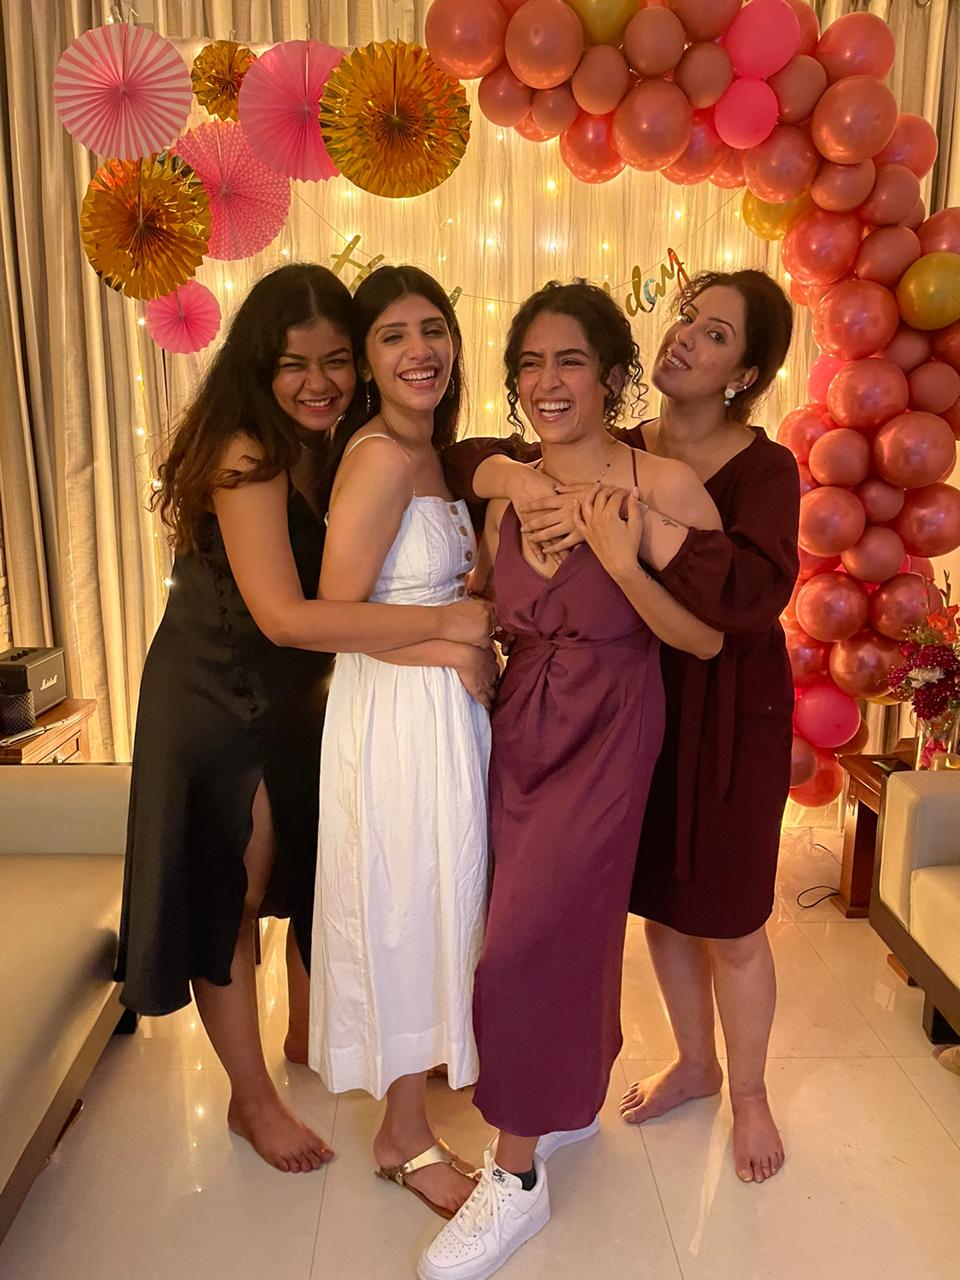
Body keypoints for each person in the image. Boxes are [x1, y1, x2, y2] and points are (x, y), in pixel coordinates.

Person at [116, 264, 492, 1177]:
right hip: (218, 694)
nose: (318, 381)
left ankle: (298, 1036)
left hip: (299, 689)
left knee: (306, 865)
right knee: (234, 894)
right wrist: (446, 626)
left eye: (333, 361)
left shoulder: (330, 442)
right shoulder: (248, 450)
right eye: (296, 364)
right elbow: (287, 615)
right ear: (259, 365)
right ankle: (251, 1102)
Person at [442, 269, 799, 1187]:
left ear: (746, 370)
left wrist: (627, 546)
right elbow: (468, 468)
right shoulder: (586, 449)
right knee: (645, 910)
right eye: (688, 318)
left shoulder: (738, 474)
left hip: (718, 714)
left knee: (727, 911)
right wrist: (515, 483)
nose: (689, 337)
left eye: (716, 333)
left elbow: (740, 611)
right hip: (562, 720)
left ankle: (747, 1092)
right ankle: (682, 1061)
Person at [419, 281, 722, 1280]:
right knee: (551, 923)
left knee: (525, 941)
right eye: (531, 365)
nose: (549, 382)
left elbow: (708, 635)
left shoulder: (662, 485)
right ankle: (570, 1095)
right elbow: (489, 578)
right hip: (521, 728)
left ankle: (513, 1178)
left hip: (610, 724)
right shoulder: (506, 485)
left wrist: (621, 559)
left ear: (611, 374)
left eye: (571, 362)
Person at [308, 266, 495, 1219]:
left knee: (445, 896)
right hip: (394, 710)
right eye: (392, 336)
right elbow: (336, 617)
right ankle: (401, 1137)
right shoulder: (379, 456)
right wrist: (452, 638)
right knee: (405, 902)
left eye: (434, 328)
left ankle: (421, 1102)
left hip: (444, 709)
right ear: (368, 360)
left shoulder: (440, 454)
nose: (420, 350)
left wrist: (473, 634)